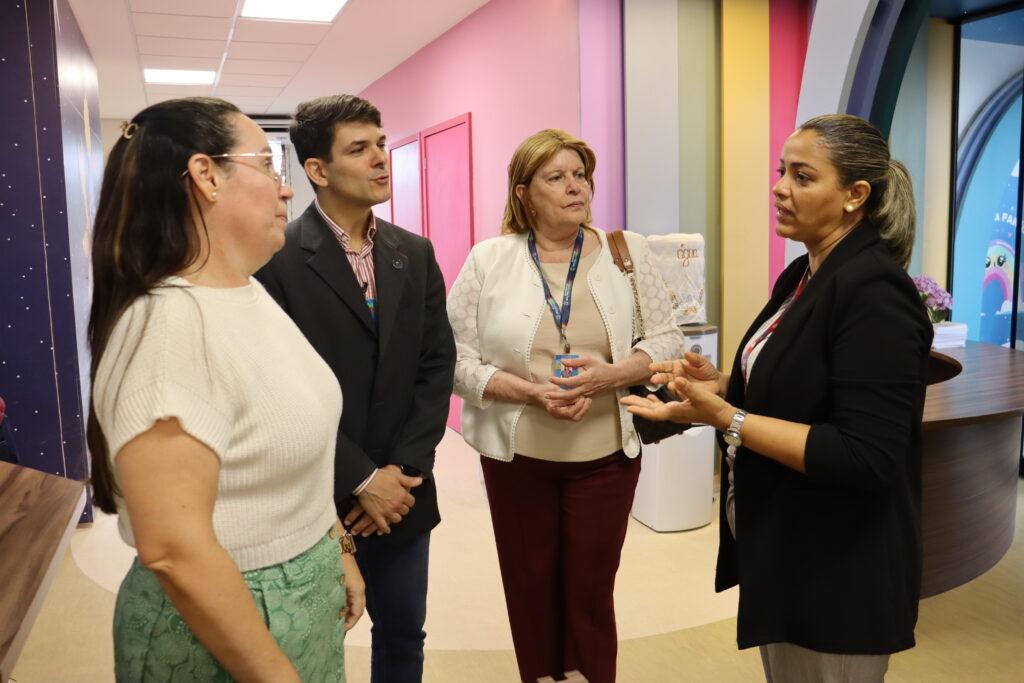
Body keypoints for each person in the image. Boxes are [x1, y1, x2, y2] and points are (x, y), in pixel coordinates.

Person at [622, 113, 932, 682]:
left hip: (840, 570)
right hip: (788, 549)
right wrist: (719, 385)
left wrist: (728, 416)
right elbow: (798, 391)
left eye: (802, 176)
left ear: (856, 196)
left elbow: (866, 454)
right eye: (781, 171)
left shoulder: (875, 292)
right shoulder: (803, 275)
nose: (780, 188)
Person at [87, 97, 365, 682]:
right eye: (267, 164)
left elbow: (297, 453)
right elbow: (175, 550)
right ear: (206, 176)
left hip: (300, 588)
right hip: (220, 626)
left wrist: (335, 547)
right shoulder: (169, 326)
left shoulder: (245, 292)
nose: (285, 189)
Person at [447, 129, 683, 683]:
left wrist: (612, 375)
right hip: (517, 459)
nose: (575, 187)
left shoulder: (627, 252)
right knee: (529, 589)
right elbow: (452, 358)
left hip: (605, 459)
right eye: (556, 177)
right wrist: (530, 392)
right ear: (525, 194)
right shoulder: (489, 260)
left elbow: (668, 337)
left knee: (590, 594)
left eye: (580, 175)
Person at [255, 94, 455, 683]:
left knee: (404, 637)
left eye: (381, 144)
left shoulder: (413, 253)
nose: (380, 158)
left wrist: (401, 474)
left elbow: (435, 366)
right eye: (359, 148)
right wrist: (363, 479)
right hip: (315, 496)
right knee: (314, 642)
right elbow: (277, 389)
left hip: (404, 495)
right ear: (318, 169)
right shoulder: (278, 259)